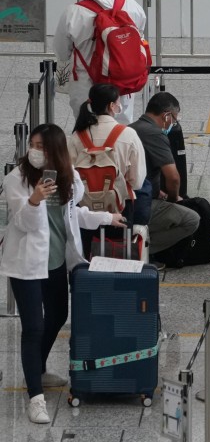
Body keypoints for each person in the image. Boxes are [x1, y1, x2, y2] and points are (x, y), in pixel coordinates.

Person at [0, 124, 126, 423]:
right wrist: (35, 199)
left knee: (57, 316)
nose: (34, 150)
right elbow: (24, 223)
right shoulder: (15, 179)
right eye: (32, 144)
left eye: (41, 146)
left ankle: (38, 369)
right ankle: (35, 397)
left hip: (56, 261)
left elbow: (73, 215)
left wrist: (107, 216)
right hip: (27, 265)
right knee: (33, 328)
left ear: (56, 150)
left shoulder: (66, 178)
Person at [54, 0, 148, 123]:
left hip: (87, 88)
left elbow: (61, 52)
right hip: (123, 85)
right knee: (121, 133)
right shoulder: (131, 5)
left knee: (89, 134)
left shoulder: (73, 13)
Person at [67, 84, 146, 256]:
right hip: (121, 207)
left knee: (87, 255)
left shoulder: (76, 136)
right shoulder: (128, 134)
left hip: (84, 209)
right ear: (111, 106)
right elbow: (137, 181)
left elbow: (68, 176)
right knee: (120, 254)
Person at [129, 92, 200, 259]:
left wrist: (157, 191)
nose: (173, 124)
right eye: (174, 119)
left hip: (126, 199)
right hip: (140, 204)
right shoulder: (155, 134)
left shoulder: (130, 128)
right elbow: (173, 177)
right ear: (166, 115)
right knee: (192, 219)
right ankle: (141, 249)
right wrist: (174, 198)